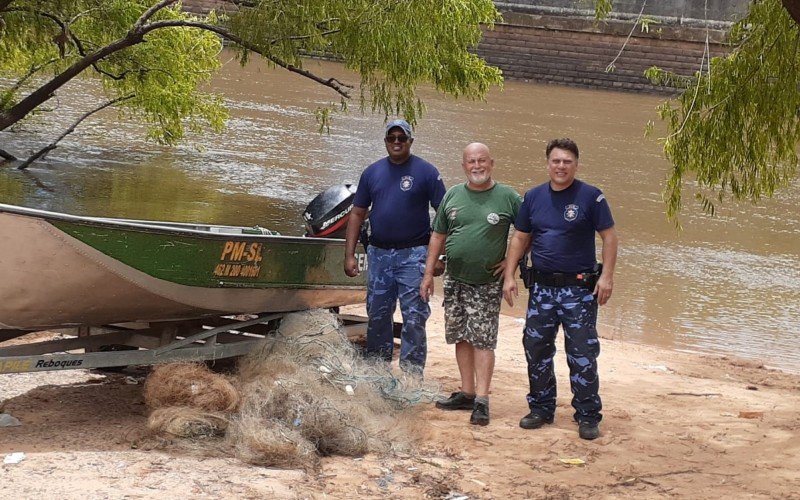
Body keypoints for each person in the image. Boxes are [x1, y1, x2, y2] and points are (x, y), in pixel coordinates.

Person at [502, 138, 618, 440]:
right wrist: (510, 275)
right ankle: (541, 408)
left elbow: (609, 238)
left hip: (578, 291)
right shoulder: (533, 197)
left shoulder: (591, 197)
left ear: (576, 165)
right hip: (542, 289)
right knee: (536, 349)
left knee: (582, 353)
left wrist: (607, 277)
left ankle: (588, 415)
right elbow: (520, 238)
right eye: (556, 161)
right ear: (548, 163)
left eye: (567, 161)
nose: (561, 166)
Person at [420, 143, 521, 426]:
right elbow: (437, 236)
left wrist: (510, 266)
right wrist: (428, 274)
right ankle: (466, 392)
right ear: (464, 166)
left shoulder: (508, 197)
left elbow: (527, 232)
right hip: (455, 280)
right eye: (471, 162)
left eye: (482, 161)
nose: (477, 166)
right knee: (460, 336)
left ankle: (482, 400)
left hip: (487, 283)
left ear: (492, 163)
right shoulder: (452, 195)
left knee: (483, 340)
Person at [344, 119, 446, 373]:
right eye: (392, 138)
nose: (397, 142)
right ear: (386, 141)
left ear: (411, 141)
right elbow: (357, 214)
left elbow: (445, 217)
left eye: (402, 138)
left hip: (415, 255)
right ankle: (377, 372)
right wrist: (350, 255)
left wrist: (441, 256)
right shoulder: (371, 173)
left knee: (414, 317)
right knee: (377, 314)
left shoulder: (427, 172)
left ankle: (412, 376)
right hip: (379, 254)